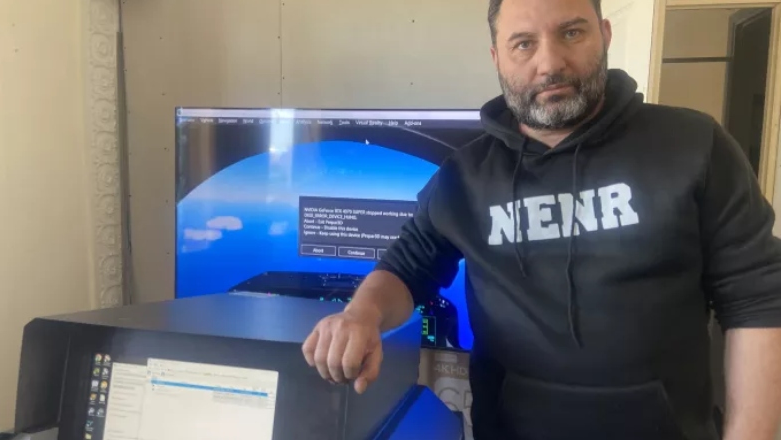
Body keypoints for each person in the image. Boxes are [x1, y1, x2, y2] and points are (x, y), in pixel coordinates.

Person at [302, 0, 781, 438]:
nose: (550, 63)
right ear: (497, 58)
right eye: (524, 43)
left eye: (571, 33)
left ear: (605, 35)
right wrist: (361, 315)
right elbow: (408, 267)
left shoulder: (694, 145)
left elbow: (758, 300)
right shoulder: (464, 176)